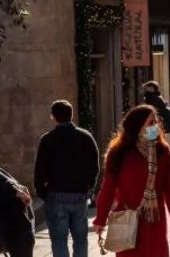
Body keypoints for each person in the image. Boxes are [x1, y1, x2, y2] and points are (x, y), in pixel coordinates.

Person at [93, 105, 170, 256]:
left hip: (155, 220)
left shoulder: (162, 151)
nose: (155, 126)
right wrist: (100, 219)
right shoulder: (118, 153)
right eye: (150, 123)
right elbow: (108, 188)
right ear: (137, 127)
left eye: (155, 122)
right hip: (127, 220)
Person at [34, 100, 99, 257]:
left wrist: (43, 192)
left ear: (53, 117)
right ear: (71, 115)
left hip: (56, 194)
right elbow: (94, 166)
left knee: (58, 240)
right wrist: (89, 187)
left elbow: (39, 169)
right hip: (79, 195)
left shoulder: (47, 140)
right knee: (81, 239)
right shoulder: (85, 137)